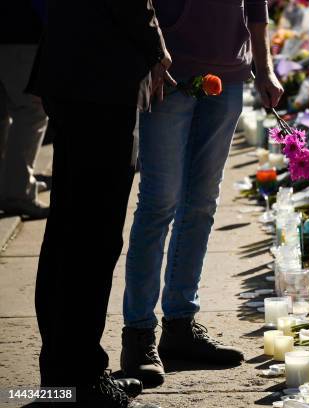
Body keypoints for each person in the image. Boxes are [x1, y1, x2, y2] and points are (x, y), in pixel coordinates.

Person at [120, 0, 283, 386]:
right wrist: (152, 54)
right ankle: (139, 334)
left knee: (201, 205)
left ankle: (180, 325)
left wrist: (266, 68)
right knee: (159, 203)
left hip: (227, 74)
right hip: (168, 71)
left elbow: (256, 8)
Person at [32, 1, 173, 406]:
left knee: (69, 229)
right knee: (91, 235)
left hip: (75, 69)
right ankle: (82, 378)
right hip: (100, 76)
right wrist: (157, 47)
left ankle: (64, 374)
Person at [0, 0, 49, 219]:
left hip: (9, 29)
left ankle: (11, 182)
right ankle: (17, 190)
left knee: (6, 113)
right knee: (31, 112)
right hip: (24, 34)